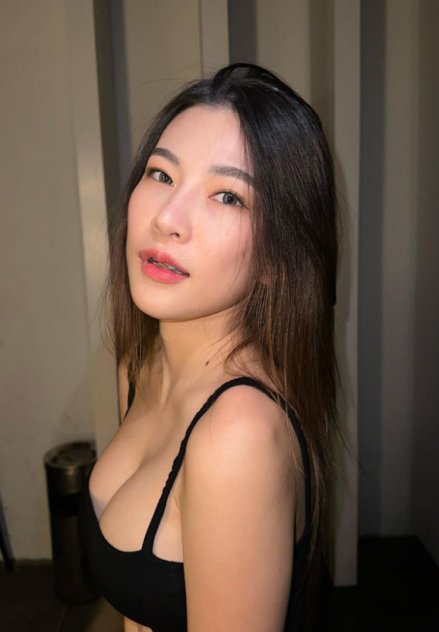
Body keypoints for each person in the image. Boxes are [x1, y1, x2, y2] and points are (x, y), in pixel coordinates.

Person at [80, 63, 338, 632]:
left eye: (227, 196)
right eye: (161, 174)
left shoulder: (237, 433)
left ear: (278, 258)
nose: (167, 219)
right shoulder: (141, 364)